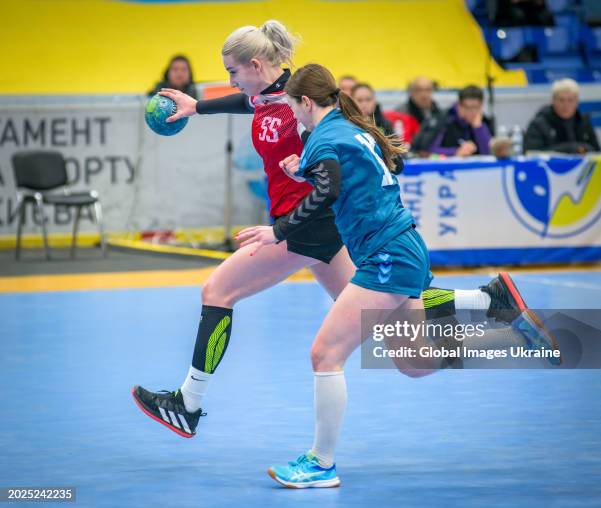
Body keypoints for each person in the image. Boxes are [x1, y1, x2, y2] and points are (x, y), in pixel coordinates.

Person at [131, 20, 546, 442]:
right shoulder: (270, 95)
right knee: (408, 350)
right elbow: (249, 103)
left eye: (233, 72)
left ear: (256, 65)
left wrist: (281, 231)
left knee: (218, 291)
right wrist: (196, 107)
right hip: (316, 228)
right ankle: (490, 302)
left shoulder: (302, 108)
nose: (230, 81)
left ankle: (189, 402)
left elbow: (329, 174)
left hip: (304, 225)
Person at [235, 64, 555, 489]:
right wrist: (305, 169)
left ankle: (321, 463)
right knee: (414, 361)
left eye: (293, 108)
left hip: (386, 255)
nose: (293, 118)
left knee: (324, 354)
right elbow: (372, 170)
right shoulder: (350, 129)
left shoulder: (325, 138)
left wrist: (277, 229)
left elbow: (328, 191)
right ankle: (510, 325)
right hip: (401, 246)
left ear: (306, 103)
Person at [412, 85, 494, 157]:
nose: (471, 112)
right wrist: (455, 152)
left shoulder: (482, 122)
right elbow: (427, 151)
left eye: (475, 107)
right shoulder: (444, 120)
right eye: (467, 107)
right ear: (459, 105)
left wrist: (478, 128)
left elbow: (489, 153)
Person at [524, 78, 601, 154]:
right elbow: (532, 154)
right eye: (561, 100)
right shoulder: (539, 123)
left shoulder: (584, 121)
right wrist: (572, 148)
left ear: (577, 102)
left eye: (570, 100)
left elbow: (597, 152)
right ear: (553, 100)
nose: (566, 105)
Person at [386, 77, 442, 145]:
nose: (424, 94)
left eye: (428, 90)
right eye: (419, 90)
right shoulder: (400, 114)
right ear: (411, 92)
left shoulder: (438, 113)